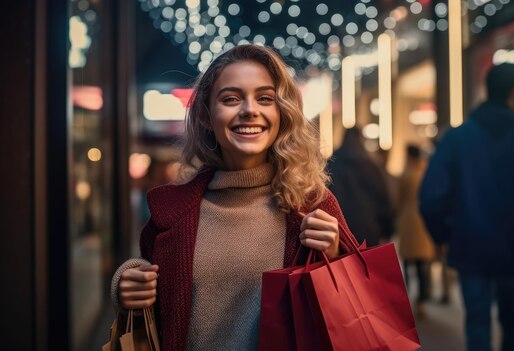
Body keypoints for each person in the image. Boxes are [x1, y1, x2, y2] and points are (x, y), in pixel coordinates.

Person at [109, 45, 358, 351]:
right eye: (230, 99)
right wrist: (126, 282)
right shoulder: (174, 210)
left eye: (265, 98)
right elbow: (151, 278)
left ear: (282, 112)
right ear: (205, 115)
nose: (249, 110)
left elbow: (354, 306)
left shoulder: (313, 205)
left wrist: (333, 258)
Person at [420, 63, 514, 351]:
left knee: (477, 323)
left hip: (469, 247)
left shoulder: (457, 138)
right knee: (512, 322)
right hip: (513, 249)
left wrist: (442, 236)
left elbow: (430, 198)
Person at [326, 127, 395, 246]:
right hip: (368, 228)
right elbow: (382, 198)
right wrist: (387, 230)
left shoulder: (333, 163)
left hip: (341, 228)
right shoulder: (370, 165)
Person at [396, 145, 435, 317]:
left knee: (407, 263)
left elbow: (399, 199)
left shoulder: (406, 174)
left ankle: (406, 299)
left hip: (407, 221)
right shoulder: (427, 173)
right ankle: (421, 300)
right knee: (422, 265)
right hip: (424, 222)